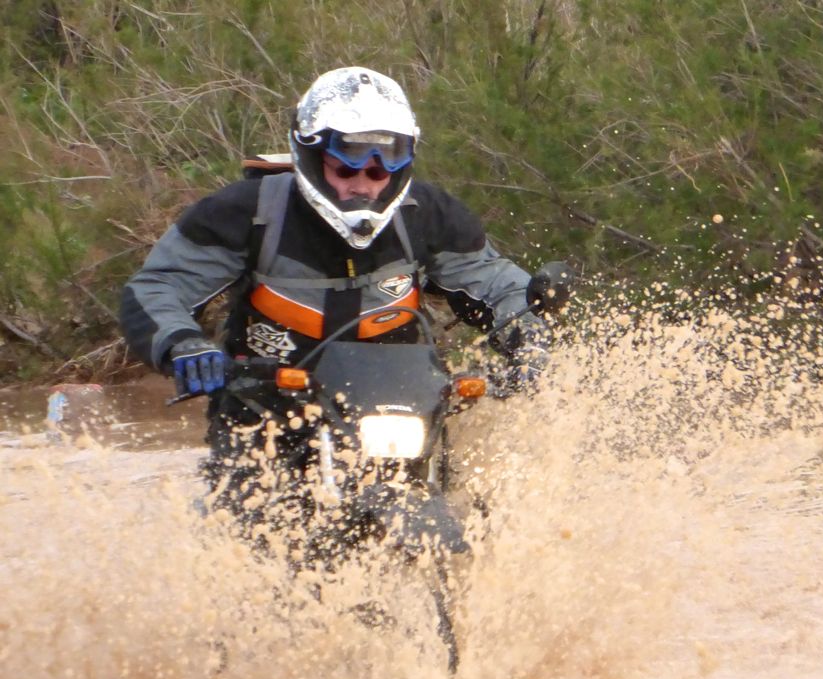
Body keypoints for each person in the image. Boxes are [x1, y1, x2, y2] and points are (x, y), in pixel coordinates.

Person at [118, 66, 563, 527]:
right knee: (246, 524)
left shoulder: (430, 215)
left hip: (397, 405)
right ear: (312, 158)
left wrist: (527, 335)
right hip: (267, 405)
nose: (363, 184)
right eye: (347, 167)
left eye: (379, 170)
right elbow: (159, 286)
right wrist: (182, 344)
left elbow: (498, 283)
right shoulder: (244, 212)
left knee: (471, 508)